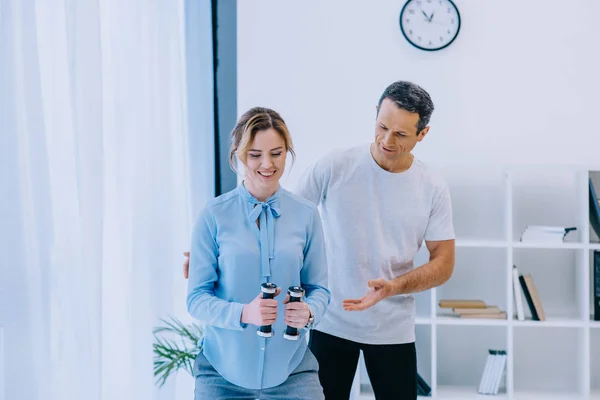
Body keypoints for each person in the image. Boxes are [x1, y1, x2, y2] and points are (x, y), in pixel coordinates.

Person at [184, 80, 455, 400]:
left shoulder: (432, 186)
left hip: (392, 328)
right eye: (382, 126)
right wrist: (214, 254)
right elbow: (281, 222)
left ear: (422, 134)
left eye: (400, 134)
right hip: (330, 326)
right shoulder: (336, 166)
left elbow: (444, 263)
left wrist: (394, 287)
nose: (386, 139)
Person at [186, 107, 330, 400]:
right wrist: (243, 313)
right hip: (221, 373)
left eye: (276, 153)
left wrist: (310, 310)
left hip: (292, 371)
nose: (267, 164)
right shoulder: (213, 215)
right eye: (255, 155)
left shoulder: (306, 215)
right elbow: (196, 299)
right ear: (238, 155)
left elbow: (320, 289)